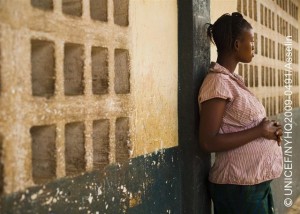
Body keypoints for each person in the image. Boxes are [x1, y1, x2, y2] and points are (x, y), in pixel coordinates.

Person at [198, 12, 283, 214]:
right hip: (238, 189)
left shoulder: (233, 81)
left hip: (252, 183)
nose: (253, 47)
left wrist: (269, 129)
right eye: (251, 42)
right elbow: (208, 141)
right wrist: (260, 132)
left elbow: (244, 123)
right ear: (237, 45)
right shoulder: (218, 83)